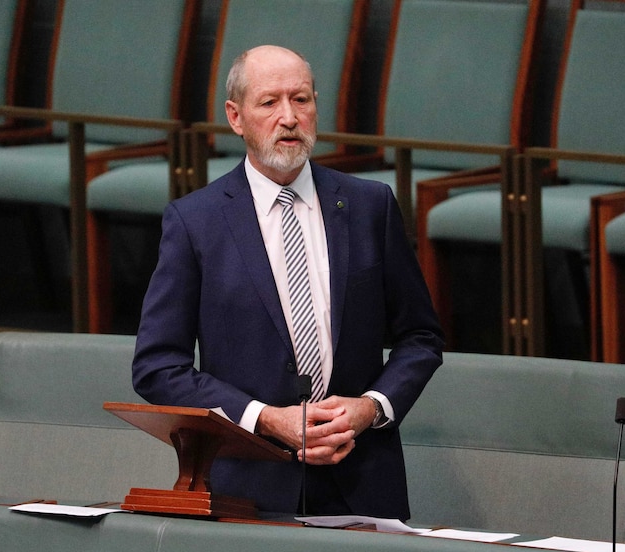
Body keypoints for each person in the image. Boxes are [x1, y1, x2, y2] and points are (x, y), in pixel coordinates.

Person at [132, 45, 444, 520]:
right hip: (248, 485)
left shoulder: (369, 206)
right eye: (269, 103)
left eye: (300, 100)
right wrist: (264, 418)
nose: (289, 118)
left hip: (361, 478)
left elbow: (420, 338)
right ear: (235, 117)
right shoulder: (196, 222)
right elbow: (157, 366)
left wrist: (370, 408)